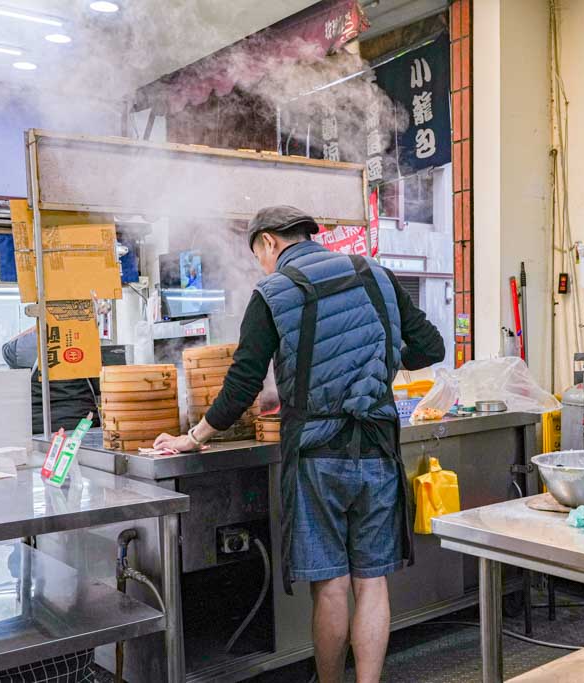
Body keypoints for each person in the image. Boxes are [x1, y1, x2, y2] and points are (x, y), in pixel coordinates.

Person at [154, 205, 445, 683]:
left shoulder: (274, 291)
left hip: (317, 457)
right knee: (372, 582)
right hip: (377, 450)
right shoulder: (378, 274)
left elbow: (243, 380)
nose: (261, 267)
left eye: (258, 256)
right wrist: (378, 361)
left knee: (331, 586)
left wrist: (195, 435)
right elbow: (429, 347)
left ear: (268, 242)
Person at [1, 327, 100, 434]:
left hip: (39, 427)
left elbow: (6, 350)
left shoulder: (27, 344)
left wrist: (39, 326)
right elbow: (99, 386)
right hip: (82, 426)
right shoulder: (85, 340)